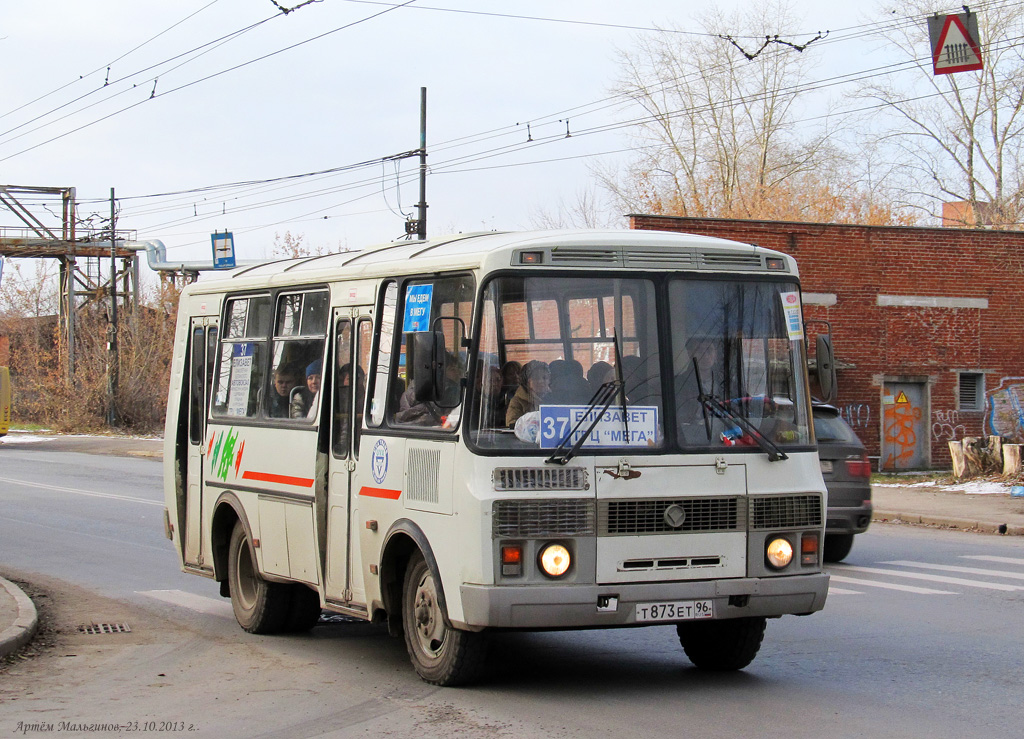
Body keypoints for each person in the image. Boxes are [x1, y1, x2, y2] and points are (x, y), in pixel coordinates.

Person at [395, 352, 464, 426]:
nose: (458, 372)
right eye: (452, 369)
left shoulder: (449, 388)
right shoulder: (443, 391)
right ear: (440, 371)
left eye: (458, 369)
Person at [505, 360, 550, 427]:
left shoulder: (555, 398)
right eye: (536, 378)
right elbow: (512, 425)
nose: (541, 381)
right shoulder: (517, 401)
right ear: (526, 381)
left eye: (544, 378)